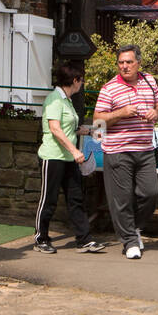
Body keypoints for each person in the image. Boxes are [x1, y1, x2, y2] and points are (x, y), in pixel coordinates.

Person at [94, 45, 158, 259]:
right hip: (118, 151)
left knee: (151, 194)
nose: (124, 66)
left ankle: (133, 228)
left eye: (129, 62)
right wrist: (121, 113)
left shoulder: (149, 81)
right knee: (122, 199)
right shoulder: (109, 88)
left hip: (144, 150)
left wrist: (156, 113)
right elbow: (98, 120)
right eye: (121, 62)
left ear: (138, 63)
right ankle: (130, 242)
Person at [33, 62, 105, 254]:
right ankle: (41, 238)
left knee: (76, 198)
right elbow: (55, 129)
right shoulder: (54, 100)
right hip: (53, 157)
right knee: (49, 199)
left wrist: (89, 131)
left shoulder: (67, 101)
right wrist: (75, 151)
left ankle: (84, 240)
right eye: (81, 80)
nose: (82, 84)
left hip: (68, 158)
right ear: (75, 80)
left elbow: (69, 128)